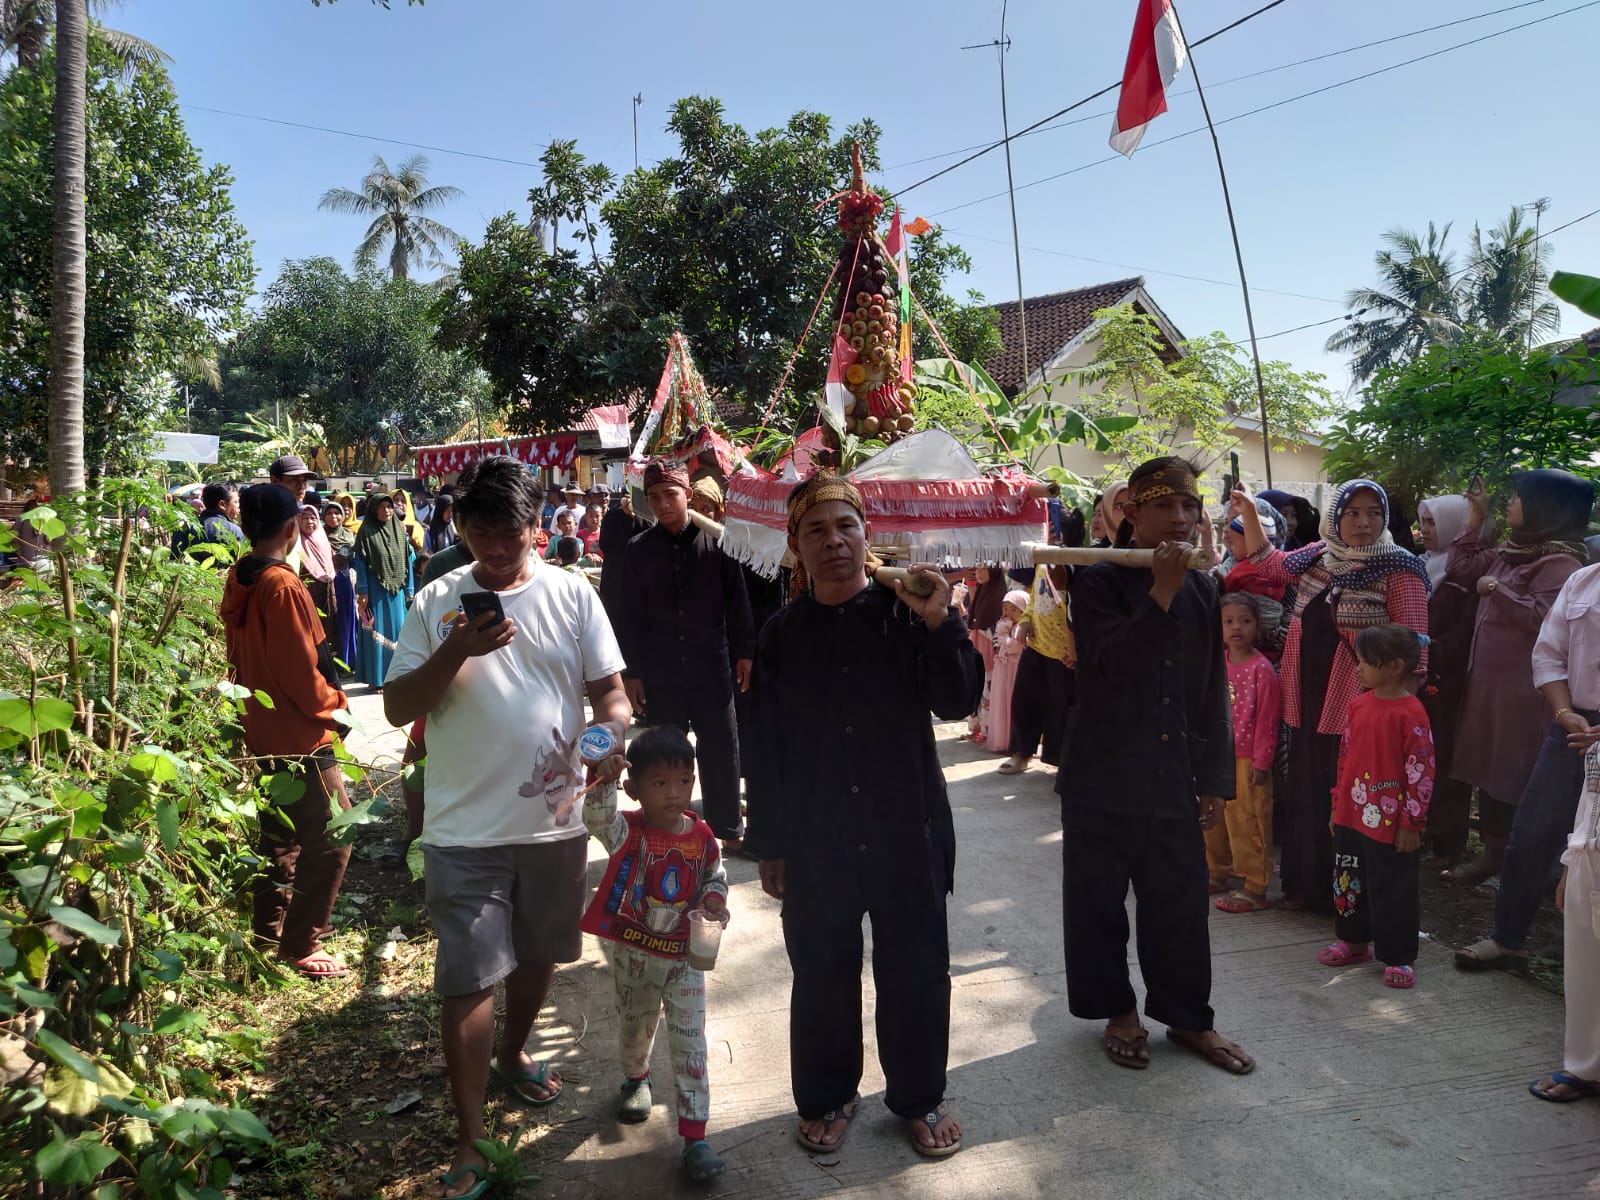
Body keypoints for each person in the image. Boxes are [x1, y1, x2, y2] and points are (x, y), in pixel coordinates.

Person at [383, 456, 630, 1200]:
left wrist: (610, 742)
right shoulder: (435, 603)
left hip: (552, 823)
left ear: (537, 525)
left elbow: (611, 697)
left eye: (510, 532)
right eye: (480, 531)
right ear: (459, 526)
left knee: (538, 955)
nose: (495, 547)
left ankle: (514, 1055)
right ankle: (471, 1137)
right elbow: (399, 710)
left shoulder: (571, 597)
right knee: (467, 977)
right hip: (462, 828)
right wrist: (459, 647)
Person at [746, 472, 979, 1158]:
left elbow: (959, 701)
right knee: (821, 969)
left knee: (915, 969)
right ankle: (828, 1093)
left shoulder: (908, 614)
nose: (833, 542)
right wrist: (772, 844)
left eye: (845, 526)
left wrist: (944, 622)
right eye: (816, 530)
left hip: (907, 827)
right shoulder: (780, 636)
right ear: (795, 546)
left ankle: (918, 1096)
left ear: (866, 535)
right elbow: (764, 750)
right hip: (818, 836)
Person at [1058, 456, 1252, 1076]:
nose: (1179, 518)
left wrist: (1216, 778)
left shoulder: (1204, 584)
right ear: (1131, 513)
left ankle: (1190, 1018)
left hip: (1173, 773)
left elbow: (1208, 688)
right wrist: (1159, 593)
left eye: (1190, 506)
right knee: (1098, 902)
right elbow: (1109, 671)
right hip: (1102, 776)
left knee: (1179, 902)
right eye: (1164, 506)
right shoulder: (1097, 579)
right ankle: (1118, 1010)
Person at [1231, 479, 1429, 915]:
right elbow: (1267, 563)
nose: (1363, 523)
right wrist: (1248, 511)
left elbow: (1416, 652)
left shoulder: (1401, 569)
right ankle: (1304, 888)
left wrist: (1394, 721)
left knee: (1347, 798)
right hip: (1304, 698)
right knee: (1306, 793)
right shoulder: (1320, 557)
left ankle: (1349, 906)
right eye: (1353, 513)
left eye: (1373, 513)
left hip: (1359, 708)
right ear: (1336, 517)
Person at [580, 726, 730, 1182]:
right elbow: (595, 818)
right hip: (635, 957)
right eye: (660, 783)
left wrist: (715, 901)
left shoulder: (702, 836)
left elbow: (714, 876)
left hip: (686, 960)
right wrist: (602, 779)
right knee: (635, 1026)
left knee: (691, 1044)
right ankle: (636, 1076)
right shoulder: (629, 830)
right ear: (635, 787)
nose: (673, 793)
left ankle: (695, 1136)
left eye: (683, 781)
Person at [220, 484, 352, 980]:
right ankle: (304, 942)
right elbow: (301, 669)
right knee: (337, 833)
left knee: (280, 836)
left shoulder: (241, 575)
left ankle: (269, 931)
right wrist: (336, 709)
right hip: (301, 734)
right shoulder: (282, 584)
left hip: (260, 728)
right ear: (291, 526)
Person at [1442, 470, 1592, 886]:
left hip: (1524, 693)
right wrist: (1476, 518)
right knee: (1489, 768)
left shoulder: (1562, 562)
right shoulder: (1514, 550)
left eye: (1519, 497)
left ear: (1547, 507)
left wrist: (1498, 592)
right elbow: (1462, 568)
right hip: (1489, 686)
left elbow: (1546, 618)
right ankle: (1493, 855)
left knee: (1516, 771)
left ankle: (1531, 866)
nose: (1511, 503)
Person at [1457, 557, 1600, 971]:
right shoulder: (1582, 581)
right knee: (1532, 831)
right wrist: (1563, 712)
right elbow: (1549, 653)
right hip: (1573, 726)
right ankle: (1508, 940)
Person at [615, 460, 755, 854]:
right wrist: (632, 673)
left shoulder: (719, 542)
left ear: (687, 496)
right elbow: (629, 616)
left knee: (721, 747)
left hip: (712, 665)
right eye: (655, 497)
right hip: (661, 671)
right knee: (667, 752)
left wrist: (745, 652)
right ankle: (668, 830)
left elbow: (738, 604)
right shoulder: (639, 550)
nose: (662, 504)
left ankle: (726, 828)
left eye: (670, 494)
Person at [1318, 625, 1434, 989]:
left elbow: (1422, 772)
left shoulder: (1411, 713)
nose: (1358, 668)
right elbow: (1345, 757)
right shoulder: (1357, 705)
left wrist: (1411, 822)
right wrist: (1338, 804)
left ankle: (1399, 955)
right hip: (1353, 814)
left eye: (1367, 662)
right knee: (1349, 881)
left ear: (1395, 665)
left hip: (1392, 822)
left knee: (1393, 887)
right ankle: (1354, 941)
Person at [1527, 741, 1600, 1102]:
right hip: (1592, 854)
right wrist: (1571, 862)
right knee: (1585, 966)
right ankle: (1586, 1067)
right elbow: (1590, 799)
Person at [1211, 593, 1282, 914]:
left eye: (1245, 620)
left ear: (1259, 626)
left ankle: (1255, 885)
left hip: (1247, 761)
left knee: (1248, 821)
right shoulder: (1215, 665)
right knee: (1213, 820)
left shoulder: (1262, 670)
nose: (1236, 627)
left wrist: (1262, 761)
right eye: (1228, 621)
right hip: (1217, 756)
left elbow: (1268, 720)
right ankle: (1218, 872)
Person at [1416, 495, 1477, 866]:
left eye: (1433, 523)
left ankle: (1447, 842)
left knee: (1444, 758)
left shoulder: (1462, 576)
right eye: (1422, 522)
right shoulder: (1423, 565)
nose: (1424, 531)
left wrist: (1430, 650)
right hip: (1418, 673)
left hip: (1447, 681)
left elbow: (1465, 631)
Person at [997, 564, 1074, 775]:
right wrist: (1025, 621)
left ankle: (1062, 762)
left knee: (1062, 707)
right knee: (1024, 700)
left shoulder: (1077, 563)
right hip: (1037, 644)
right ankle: (1021, 753)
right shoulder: (1042, 562)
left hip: (1064, 651)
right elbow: (1035, 600)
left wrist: (1077, 647)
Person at [352, 492, 415, 690]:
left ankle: (396, 675)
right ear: (373, 509)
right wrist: (363, 591)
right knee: (376, 631)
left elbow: (408, 561)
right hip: (374, 590)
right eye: (382, 507)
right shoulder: (366, 532)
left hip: (396, 592)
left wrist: (410, 589)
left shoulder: (399, 530)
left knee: (398, 631)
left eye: (389, 507)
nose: (387, 510)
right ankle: (375, 678)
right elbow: (360, 562)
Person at [962, 566, 1008, 743]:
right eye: (978, 569)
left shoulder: (999, 596)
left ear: (994, 572)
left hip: (988, 649)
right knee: (976, 687)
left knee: (987, 688)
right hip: (977, 645)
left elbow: (997, 627)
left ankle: (987, 731)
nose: (979, 573)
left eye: (984, 570)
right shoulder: (982, 591)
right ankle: (975, 728)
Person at [984, 590, 1027, 752]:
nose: (1008, 613)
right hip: (1002, 668)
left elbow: (1014, 646)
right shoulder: (1005, 624)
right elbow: (998, 644)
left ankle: (1014, 741)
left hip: (1015, 669)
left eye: (1013, 609)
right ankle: (1002, 739)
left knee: (1013, 701)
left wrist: (1003, 635)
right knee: (1001, 700)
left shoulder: (1021, 627)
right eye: (1006, 608)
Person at [323, 502, 360, 677]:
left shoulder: (349, 536)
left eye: (336, 513)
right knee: (330, 622)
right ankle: (332, 663)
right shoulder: (319, 536)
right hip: (325, 584)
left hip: (345, 584)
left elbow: (355, 561)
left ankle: (349, 661)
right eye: (329, 513)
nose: (333, 517)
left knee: (347, 622)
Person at [295, 503, 338, 651]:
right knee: (310, 624)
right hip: (309, 589)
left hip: (328, 587)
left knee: (330, 622)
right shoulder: (295, 541)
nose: (310, 522)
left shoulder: (321, 537)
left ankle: (330, 657)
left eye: (313, 518)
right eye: (305, 518)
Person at [172, 483, 244, 561]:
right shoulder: (235, 531)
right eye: (236, 502)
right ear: (222, 504)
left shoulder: (185, 527)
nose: (239, 506)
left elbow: (175, 559)